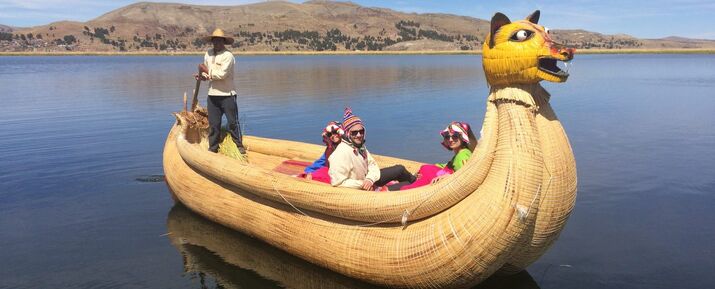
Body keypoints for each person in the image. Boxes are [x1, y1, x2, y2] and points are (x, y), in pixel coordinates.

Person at [329, 107, 415, 191]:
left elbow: (372, 164)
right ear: (348, 133)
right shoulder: (340, 153)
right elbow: (337, 182)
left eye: (361, 131)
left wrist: (370, 179)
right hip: (360, 188)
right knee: (406, 184)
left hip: (368, 179)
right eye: (354, 133)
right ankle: (411, 188)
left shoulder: (359, 146)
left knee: (400, 169)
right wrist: (363, 184)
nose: (359, 135)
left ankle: (417, 181)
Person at [195, 28, 246, 155]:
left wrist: (206, 72)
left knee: (233, 123)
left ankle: (239, 146)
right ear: (212, 41)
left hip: (227, 95)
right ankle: (213, 148)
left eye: (219, 40)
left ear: (223, 42)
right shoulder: (208, 54)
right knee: (214, 124)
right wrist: (202, 77)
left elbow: (222, 74)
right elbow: (209, 75)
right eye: (214, 40)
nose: (216, 43)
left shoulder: (228, 56)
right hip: (212, 95)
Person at [400, 121, 477, 190]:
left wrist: (449, 176)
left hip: (444, 185)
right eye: (447, 137)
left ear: (462, 138)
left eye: (455, 136)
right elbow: (449, 166)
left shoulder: (463, 155)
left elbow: (467, 176)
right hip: (437, 178)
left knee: (402, 180)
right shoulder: (460, 153)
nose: (450, 139)